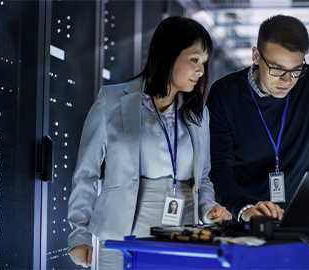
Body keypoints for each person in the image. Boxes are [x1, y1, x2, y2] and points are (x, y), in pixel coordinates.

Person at [67, 16, 232, 269]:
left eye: (204, 63)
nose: (200, 71)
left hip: (182, 235)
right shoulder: (111, 101)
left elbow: (204, 178)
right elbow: (86, 174)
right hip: (121, 233)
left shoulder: (199, 114)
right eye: (194, 60)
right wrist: (79, 233)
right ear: (169, 54)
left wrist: (209, 209)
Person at [207, 14, 309, 223]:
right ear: (256, 56)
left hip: (304, 214)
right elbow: (219, 167)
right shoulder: (225, 93)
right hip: (247, 215)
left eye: (296, 70)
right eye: (277, 69)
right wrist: (244, 209)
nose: (287, 80)